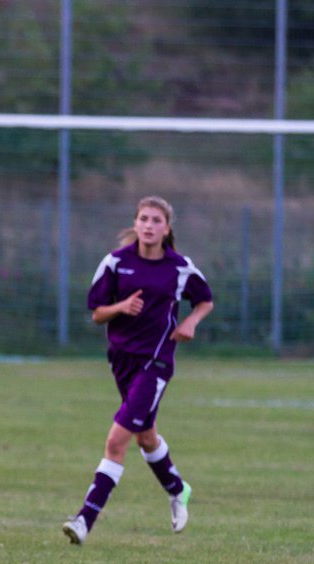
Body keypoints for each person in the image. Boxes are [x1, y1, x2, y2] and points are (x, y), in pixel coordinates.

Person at [62, 196, 214, 545]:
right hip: (122, 361)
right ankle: (178, 489)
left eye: (156, 220)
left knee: (117, 441)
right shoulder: (115, 263)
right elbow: (97, 313)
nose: (148, 225)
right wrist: (121, 306)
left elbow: (205, 299)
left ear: (167, 228)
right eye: (143, 218)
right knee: (146, 437)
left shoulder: (180, 267)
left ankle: (84, 521)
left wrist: (191, 321)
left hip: (156, 363)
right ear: (135, 223)